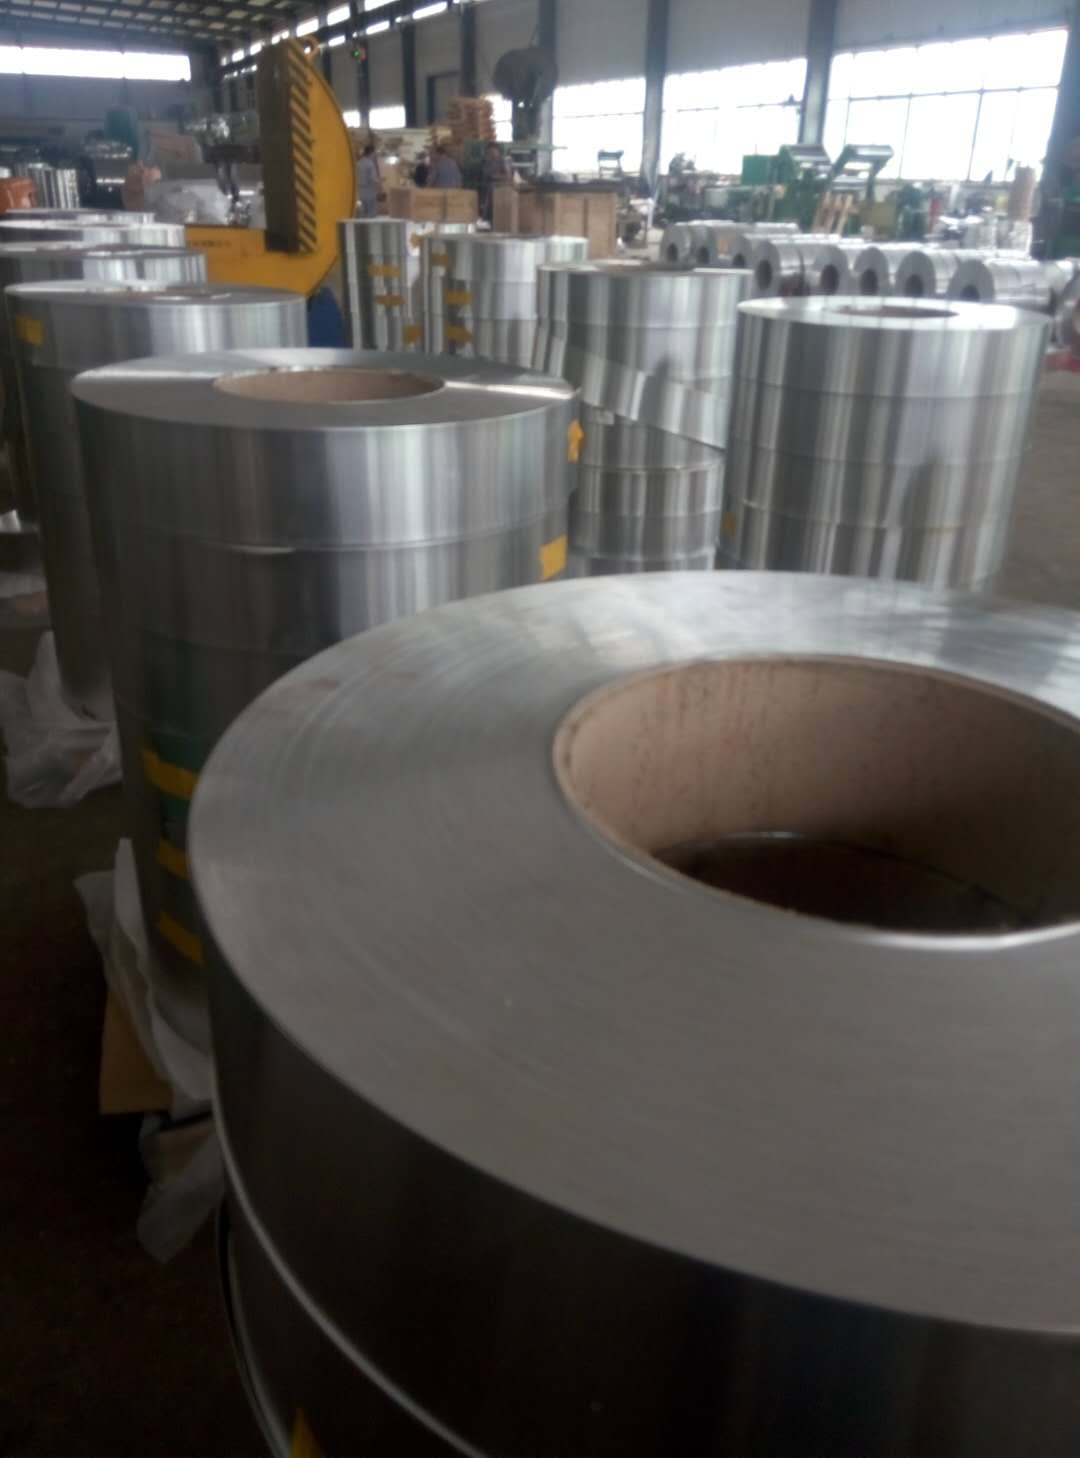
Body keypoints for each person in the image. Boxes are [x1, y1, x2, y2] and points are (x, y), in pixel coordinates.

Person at [480, 140, 511, 224]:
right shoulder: (487, 161)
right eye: (489, 152)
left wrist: (496, 176)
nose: (491, 153)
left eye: (492, 151)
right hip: (487, 188)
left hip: (499, 189)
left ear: (497, 151)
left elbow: (508, 176)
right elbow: (484, 173)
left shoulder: (502, 161)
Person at [357, 143, 379, 217]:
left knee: (361, 210)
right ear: (371, 153)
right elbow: (373, 178)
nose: (375, 156)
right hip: (369, 190)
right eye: (374, 154)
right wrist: (379, 182)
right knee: (370, 212)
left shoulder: (358, 163)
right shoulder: (370, 164)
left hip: (360, 191)